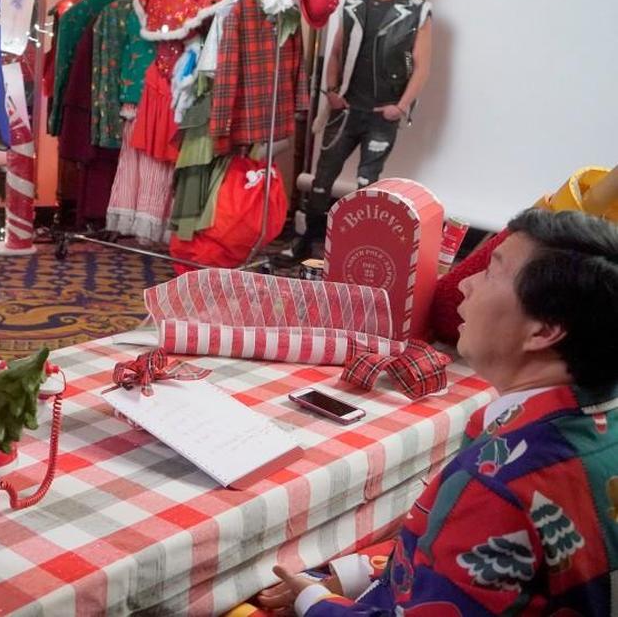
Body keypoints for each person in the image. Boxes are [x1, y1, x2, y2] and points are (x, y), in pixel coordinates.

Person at [261, 208, 618, 615]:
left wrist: (316, 602)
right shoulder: (599, 422)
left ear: (543, 330)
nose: (465, 284)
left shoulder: (496, 485)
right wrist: (360, 571)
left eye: (490, 273)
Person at [289, 0, 432, 261]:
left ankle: (352, 246)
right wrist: (332, 91)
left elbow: (423, 65)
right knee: (323, 178)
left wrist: (401, 106)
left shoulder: (417, 9)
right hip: (348, 108)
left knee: (367, 182)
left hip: (383, 112)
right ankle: (309, 239)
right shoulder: (354, 3)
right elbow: (337, 51)